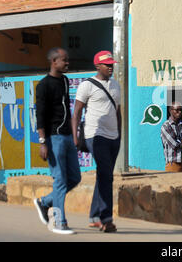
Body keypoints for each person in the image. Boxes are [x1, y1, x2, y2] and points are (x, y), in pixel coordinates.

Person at [72, 50, 121, 233]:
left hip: (113, 137)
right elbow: (76, 113)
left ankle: (94, 216)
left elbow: (118, 113)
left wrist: (120, 135)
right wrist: (75, 137)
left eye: (112, 64)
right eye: (107, 64)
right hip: (95, 135)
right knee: (107, 174)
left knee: (104, 174)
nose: (110, 67)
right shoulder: (87, 85)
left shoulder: (116, 85)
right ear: (97, 66)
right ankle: (106, 219)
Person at [33, 47, 81, 235]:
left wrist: (73, 135)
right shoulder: (43, 85)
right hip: (53, 139)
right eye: (64, 60)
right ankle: (59, 222)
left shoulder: (65, 81)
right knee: (60, 180)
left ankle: (44, 202)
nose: (67, 63)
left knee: (75, 178)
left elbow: (66, 111)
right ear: (54, 62)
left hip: (67, 137)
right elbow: (40, 115)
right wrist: (42, 141)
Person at [160, 102, 182, 173]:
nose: (179, 112)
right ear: (170, 111)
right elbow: (174, 144)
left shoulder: (181, 124)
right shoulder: (166, 126)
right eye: (177, 110)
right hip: (173, 163)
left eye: (181, 110)